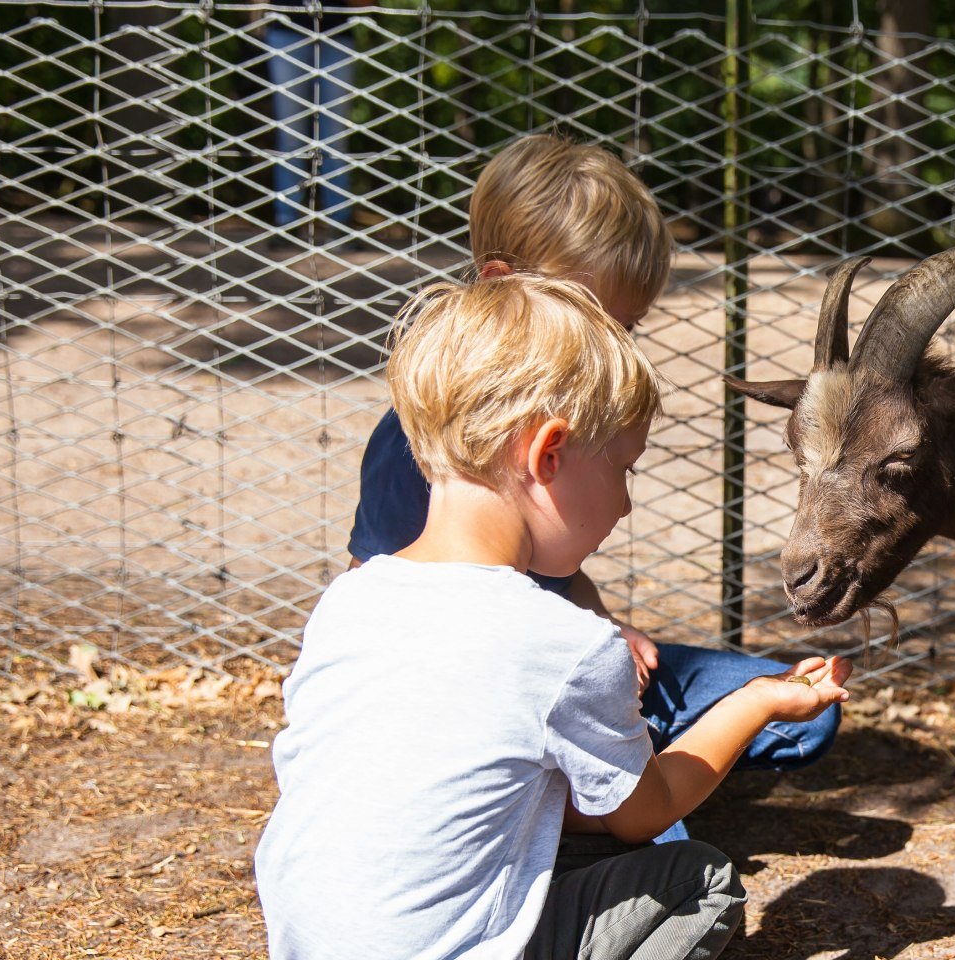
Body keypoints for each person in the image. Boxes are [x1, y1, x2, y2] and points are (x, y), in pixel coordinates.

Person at [255, 273, 854, 960]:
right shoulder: (562, 643)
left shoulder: (348, 603)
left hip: (307, 944)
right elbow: (648, 812)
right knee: (702, 879)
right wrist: (758, 702)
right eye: (623, 470)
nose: (625, 505)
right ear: (548, 455)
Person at [346, 136, 843, 829]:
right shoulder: (422, 439)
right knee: (674, 862)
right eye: (593, 318)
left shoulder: (579, 419)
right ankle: (593, 806)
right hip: (481, 712)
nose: (615, 343)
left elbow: (550, 585)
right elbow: (388, 614)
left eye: (628, 325)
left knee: (801, 717)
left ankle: (609, 785)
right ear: (501, 282)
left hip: (564, 674)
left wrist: (604, 627)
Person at [261, 0, 371, 236]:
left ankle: (340, 224)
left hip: (338, 34)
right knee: (290, 135)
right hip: (285, 30)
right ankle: (286, 223)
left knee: (336, 138)